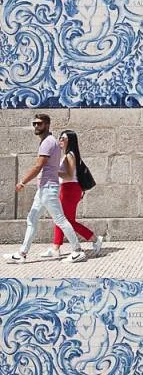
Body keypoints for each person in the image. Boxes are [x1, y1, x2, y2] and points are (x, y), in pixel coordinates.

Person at [6, 111, 87, 264]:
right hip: (43, 189)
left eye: (39, 123)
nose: (36, 126)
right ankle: (22, 253)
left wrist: (22, 182)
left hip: (48, 188)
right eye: (34, 123)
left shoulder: (48, 142)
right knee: (32, 218)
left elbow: (38, 166)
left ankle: (77, 251)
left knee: (61, 220)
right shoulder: (49, 141)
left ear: (47, 125)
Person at [46, 130, 100, 259]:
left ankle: (94, 238)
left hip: (70, 189)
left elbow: (69, 175)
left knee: (65, 220)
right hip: (67, 188)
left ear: (70, 140)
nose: (60, 140)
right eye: (60, 137)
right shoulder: (67, 155)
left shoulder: (70, 155)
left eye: (63, 138)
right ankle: (56, 247)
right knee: (60, 218)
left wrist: (54, 172)